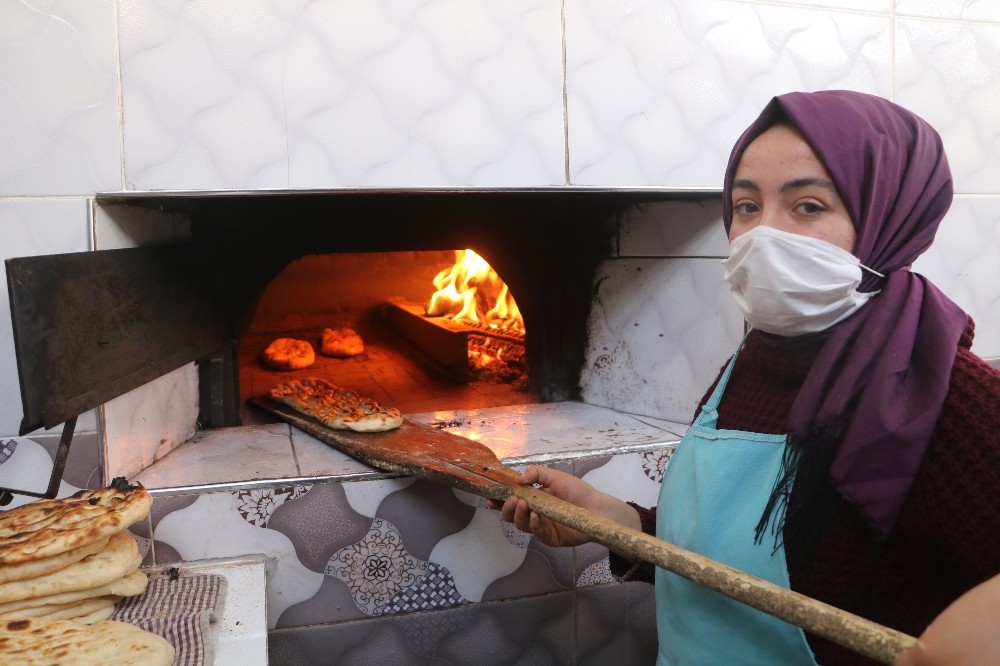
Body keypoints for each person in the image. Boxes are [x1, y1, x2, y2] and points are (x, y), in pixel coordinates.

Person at [492, 90, 1000, 665]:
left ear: (889, 217)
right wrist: (618, 521)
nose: (763, 235)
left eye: (807, 206)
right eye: (747, 206)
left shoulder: (950, 400)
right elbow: (731, 564)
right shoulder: (750, 361)